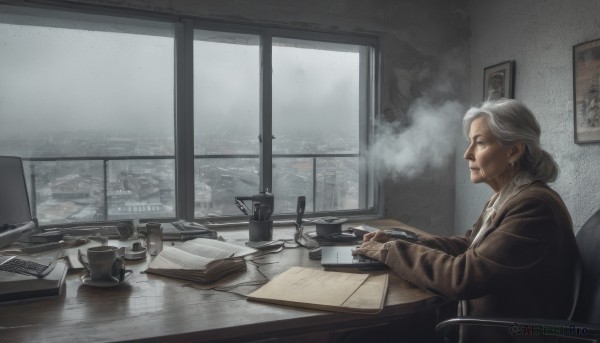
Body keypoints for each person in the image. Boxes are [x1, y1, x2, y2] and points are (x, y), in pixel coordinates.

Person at [354, 99, 580, 343]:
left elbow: (462, 277)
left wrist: (390, 251)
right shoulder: (508, 196)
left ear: (514, 151)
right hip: (480, 323)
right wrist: (402, 241)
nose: (467, 153)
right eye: (470, 142)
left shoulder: (534, 207)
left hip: (508, 335)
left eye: (480, 143)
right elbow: (469, 246)